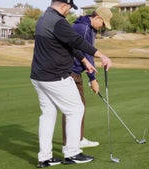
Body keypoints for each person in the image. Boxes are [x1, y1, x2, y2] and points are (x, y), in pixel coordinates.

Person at [30, 0, 112, 168]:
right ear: (63, 6)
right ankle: (72, 153)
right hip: (55, 76)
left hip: (38, 76)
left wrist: (84, 60)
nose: (68, 11)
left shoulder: (43, 18)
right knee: (76, 109)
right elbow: (77, 42)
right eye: (68, 8)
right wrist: (101, 55)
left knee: (48, 114)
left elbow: (67, 44)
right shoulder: (59, 22)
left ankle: (44, 158)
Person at [61, 7, 113, 149]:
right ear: (97, 18)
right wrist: (93, 79)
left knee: (79, 106)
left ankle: (78, 138)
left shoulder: (89, 28)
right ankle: (70, 143)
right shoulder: (83, 29)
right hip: (69, 72)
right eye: (102, 23)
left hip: (75, 72)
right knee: (73, 108)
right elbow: (86, 54)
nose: (102, 27)